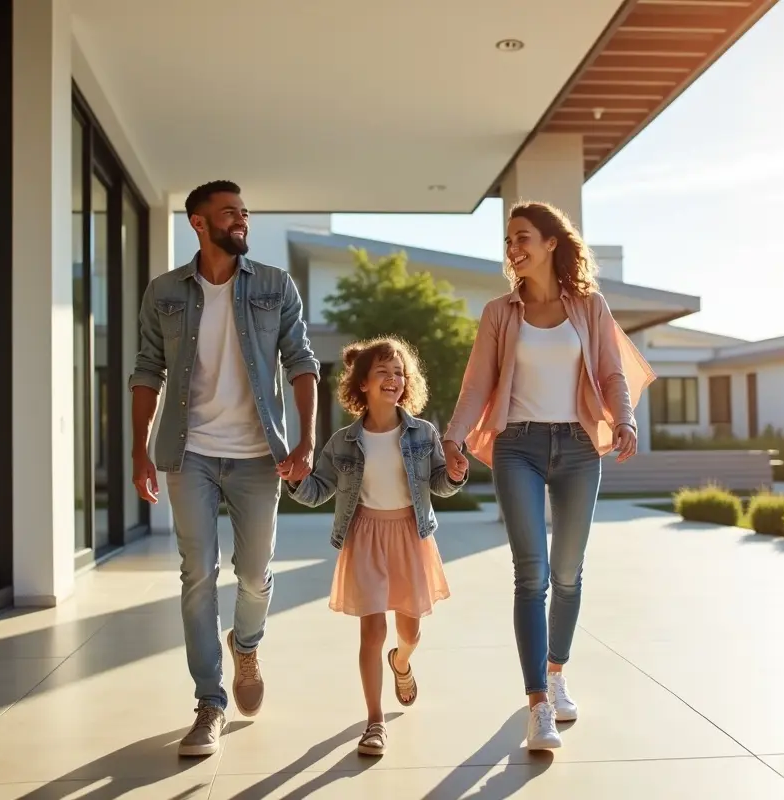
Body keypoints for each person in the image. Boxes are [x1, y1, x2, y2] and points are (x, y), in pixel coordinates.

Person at [441, 201, 655, 751]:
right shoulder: (499, 313)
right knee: (530, 573)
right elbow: (477, 384)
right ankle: (538, 702)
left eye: (523, 237)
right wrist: (453, 437)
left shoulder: (589, 306)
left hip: (580, 446)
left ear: (551, 243)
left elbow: (611, 372)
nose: (514, 248)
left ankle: (557, 672)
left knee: (567, 573)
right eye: (509, 239)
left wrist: (624, 420)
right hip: (519, 446)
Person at [128, 180, 320, 758]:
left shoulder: (274, 285)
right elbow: (146, 369)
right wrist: (140, 447)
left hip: (260, 452)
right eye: (228, 213)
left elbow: (302, 362)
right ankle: (209, 702)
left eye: (244, 213)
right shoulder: (164, 291)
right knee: (197, 574)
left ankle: (247, 642)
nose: (240, 221)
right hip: (189, 451)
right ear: (197, 222)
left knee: (257, 573)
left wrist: (306, 441)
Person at [286, 336, 467, 756]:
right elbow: (318, 490)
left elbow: (440, 483)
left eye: (399, 372)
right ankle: (374, 721)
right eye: (383, 372)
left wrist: (456, 474)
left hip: (409, 535)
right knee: (372, 629)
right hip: (365, 537)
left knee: (410, 630)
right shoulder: (344, 442)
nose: (393, 379)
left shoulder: (423, 434)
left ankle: (401, 662)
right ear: (363, 383)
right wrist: (295, 478)